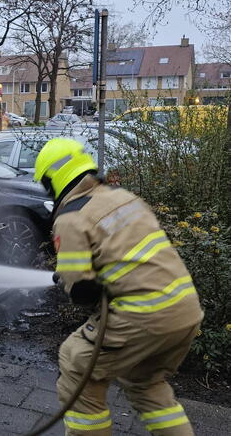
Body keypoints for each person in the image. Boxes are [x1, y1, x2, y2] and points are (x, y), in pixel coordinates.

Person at [34, 138, 202, 436]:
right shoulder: (124, 198)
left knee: (76, 362)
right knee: (145, 382)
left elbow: (82, 292)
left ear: (52, 179)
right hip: (185, 310)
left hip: (143, 315)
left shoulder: (72, 217)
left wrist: (69, 283)